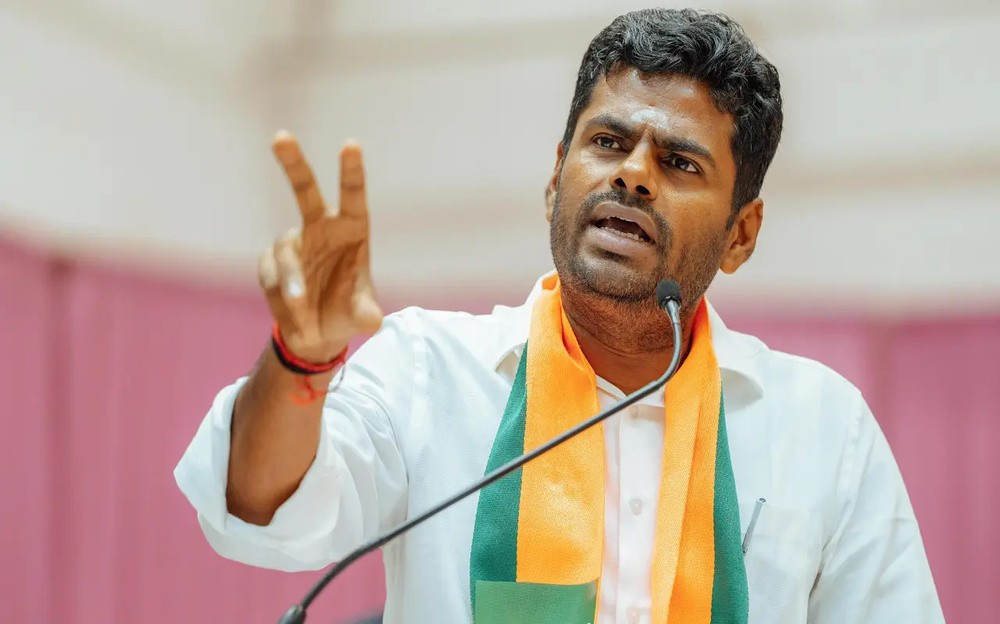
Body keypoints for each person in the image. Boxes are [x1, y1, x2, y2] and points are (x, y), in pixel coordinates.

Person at [175, 8, 943, 624]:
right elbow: (259, 512)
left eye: (679, 162)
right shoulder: (428, 370)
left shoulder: (822, 427)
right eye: (608, 141)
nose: (632, 175)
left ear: (741, 234)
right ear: (554, 180)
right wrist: (301, 361)